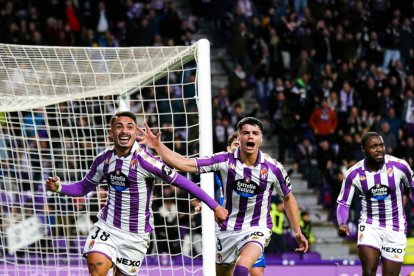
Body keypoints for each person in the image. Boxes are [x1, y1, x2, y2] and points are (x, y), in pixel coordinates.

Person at [45, 111, 228, 276]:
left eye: (130, 127)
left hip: (136, 235)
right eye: (119, 126)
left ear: (135, 133)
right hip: (107, 227)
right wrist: (60, 188)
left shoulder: (146, 162)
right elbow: (84, 187)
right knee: (97, 266)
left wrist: (216, 206)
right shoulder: (103, 159)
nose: (124, 131)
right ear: (111, 132)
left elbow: (184, 183)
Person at [138, 117, 309, 276]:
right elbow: (184, 163)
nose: (250, 136)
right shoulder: (224, 160)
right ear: (239, 137)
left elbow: (288, 197)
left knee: (243, 269)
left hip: (256, 227)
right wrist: (157, 146)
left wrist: (297, 231)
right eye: (246, 133)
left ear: (261, 139)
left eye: (255, 133)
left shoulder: (273, 168)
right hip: (227, 230)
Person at [336, 131, 414, 276]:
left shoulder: (400, 166)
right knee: (369, 271)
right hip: (370, 224)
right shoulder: (353, 174)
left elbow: (413, 188)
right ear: (363, 149)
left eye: (381, 145)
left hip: (395, 227)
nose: (379, 149)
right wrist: (342, 223)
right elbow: (343, 203)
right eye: (373, 146)